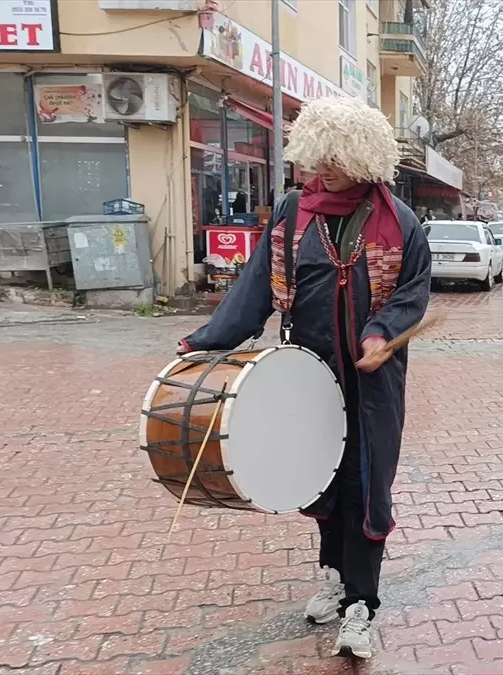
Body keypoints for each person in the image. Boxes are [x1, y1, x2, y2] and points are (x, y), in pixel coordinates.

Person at [175, 96, 431, 660]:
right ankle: (335, 577)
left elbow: (413, 296)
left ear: (365, 155)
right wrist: (203, 341)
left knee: (366, 487)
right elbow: (254, 294)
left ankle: (362, 604)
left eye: (339, 154)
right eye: (321, 154)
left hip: (373, 385)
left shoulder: (401, 223)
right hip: (309, 380)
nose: (327, 166)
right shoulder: (294, 214)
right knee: (320, 480)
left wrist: (380, 333)